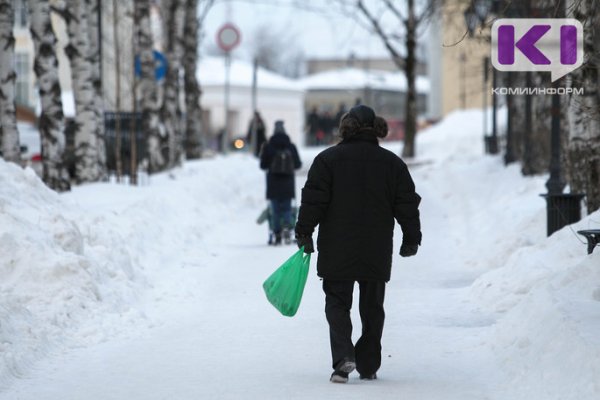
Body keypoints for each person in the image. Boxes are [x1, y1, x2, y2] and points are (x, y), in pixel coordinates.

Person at [294, 105, 422, 383]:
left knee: (337, 303)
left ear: (346, 128)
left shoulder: (327, 160)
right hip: (375, 249)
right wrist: (412, 238)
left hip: (336, 246)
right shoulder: (392, 164)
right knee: (372, 306)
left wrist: (304, 232)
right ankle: (368, 364)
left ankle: (343, 360)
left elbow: (313, 200)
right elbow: (407, 203)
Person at [259, 120, 302, 245]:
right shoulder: (290, 146)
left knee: (276, 209)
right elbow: (298, 164)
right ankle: (288, 228)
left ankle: (277, 233)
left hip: (273, 182)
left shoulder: (268, 146)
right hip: (288, 182)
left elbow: (263, 165)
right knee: (287, 208)